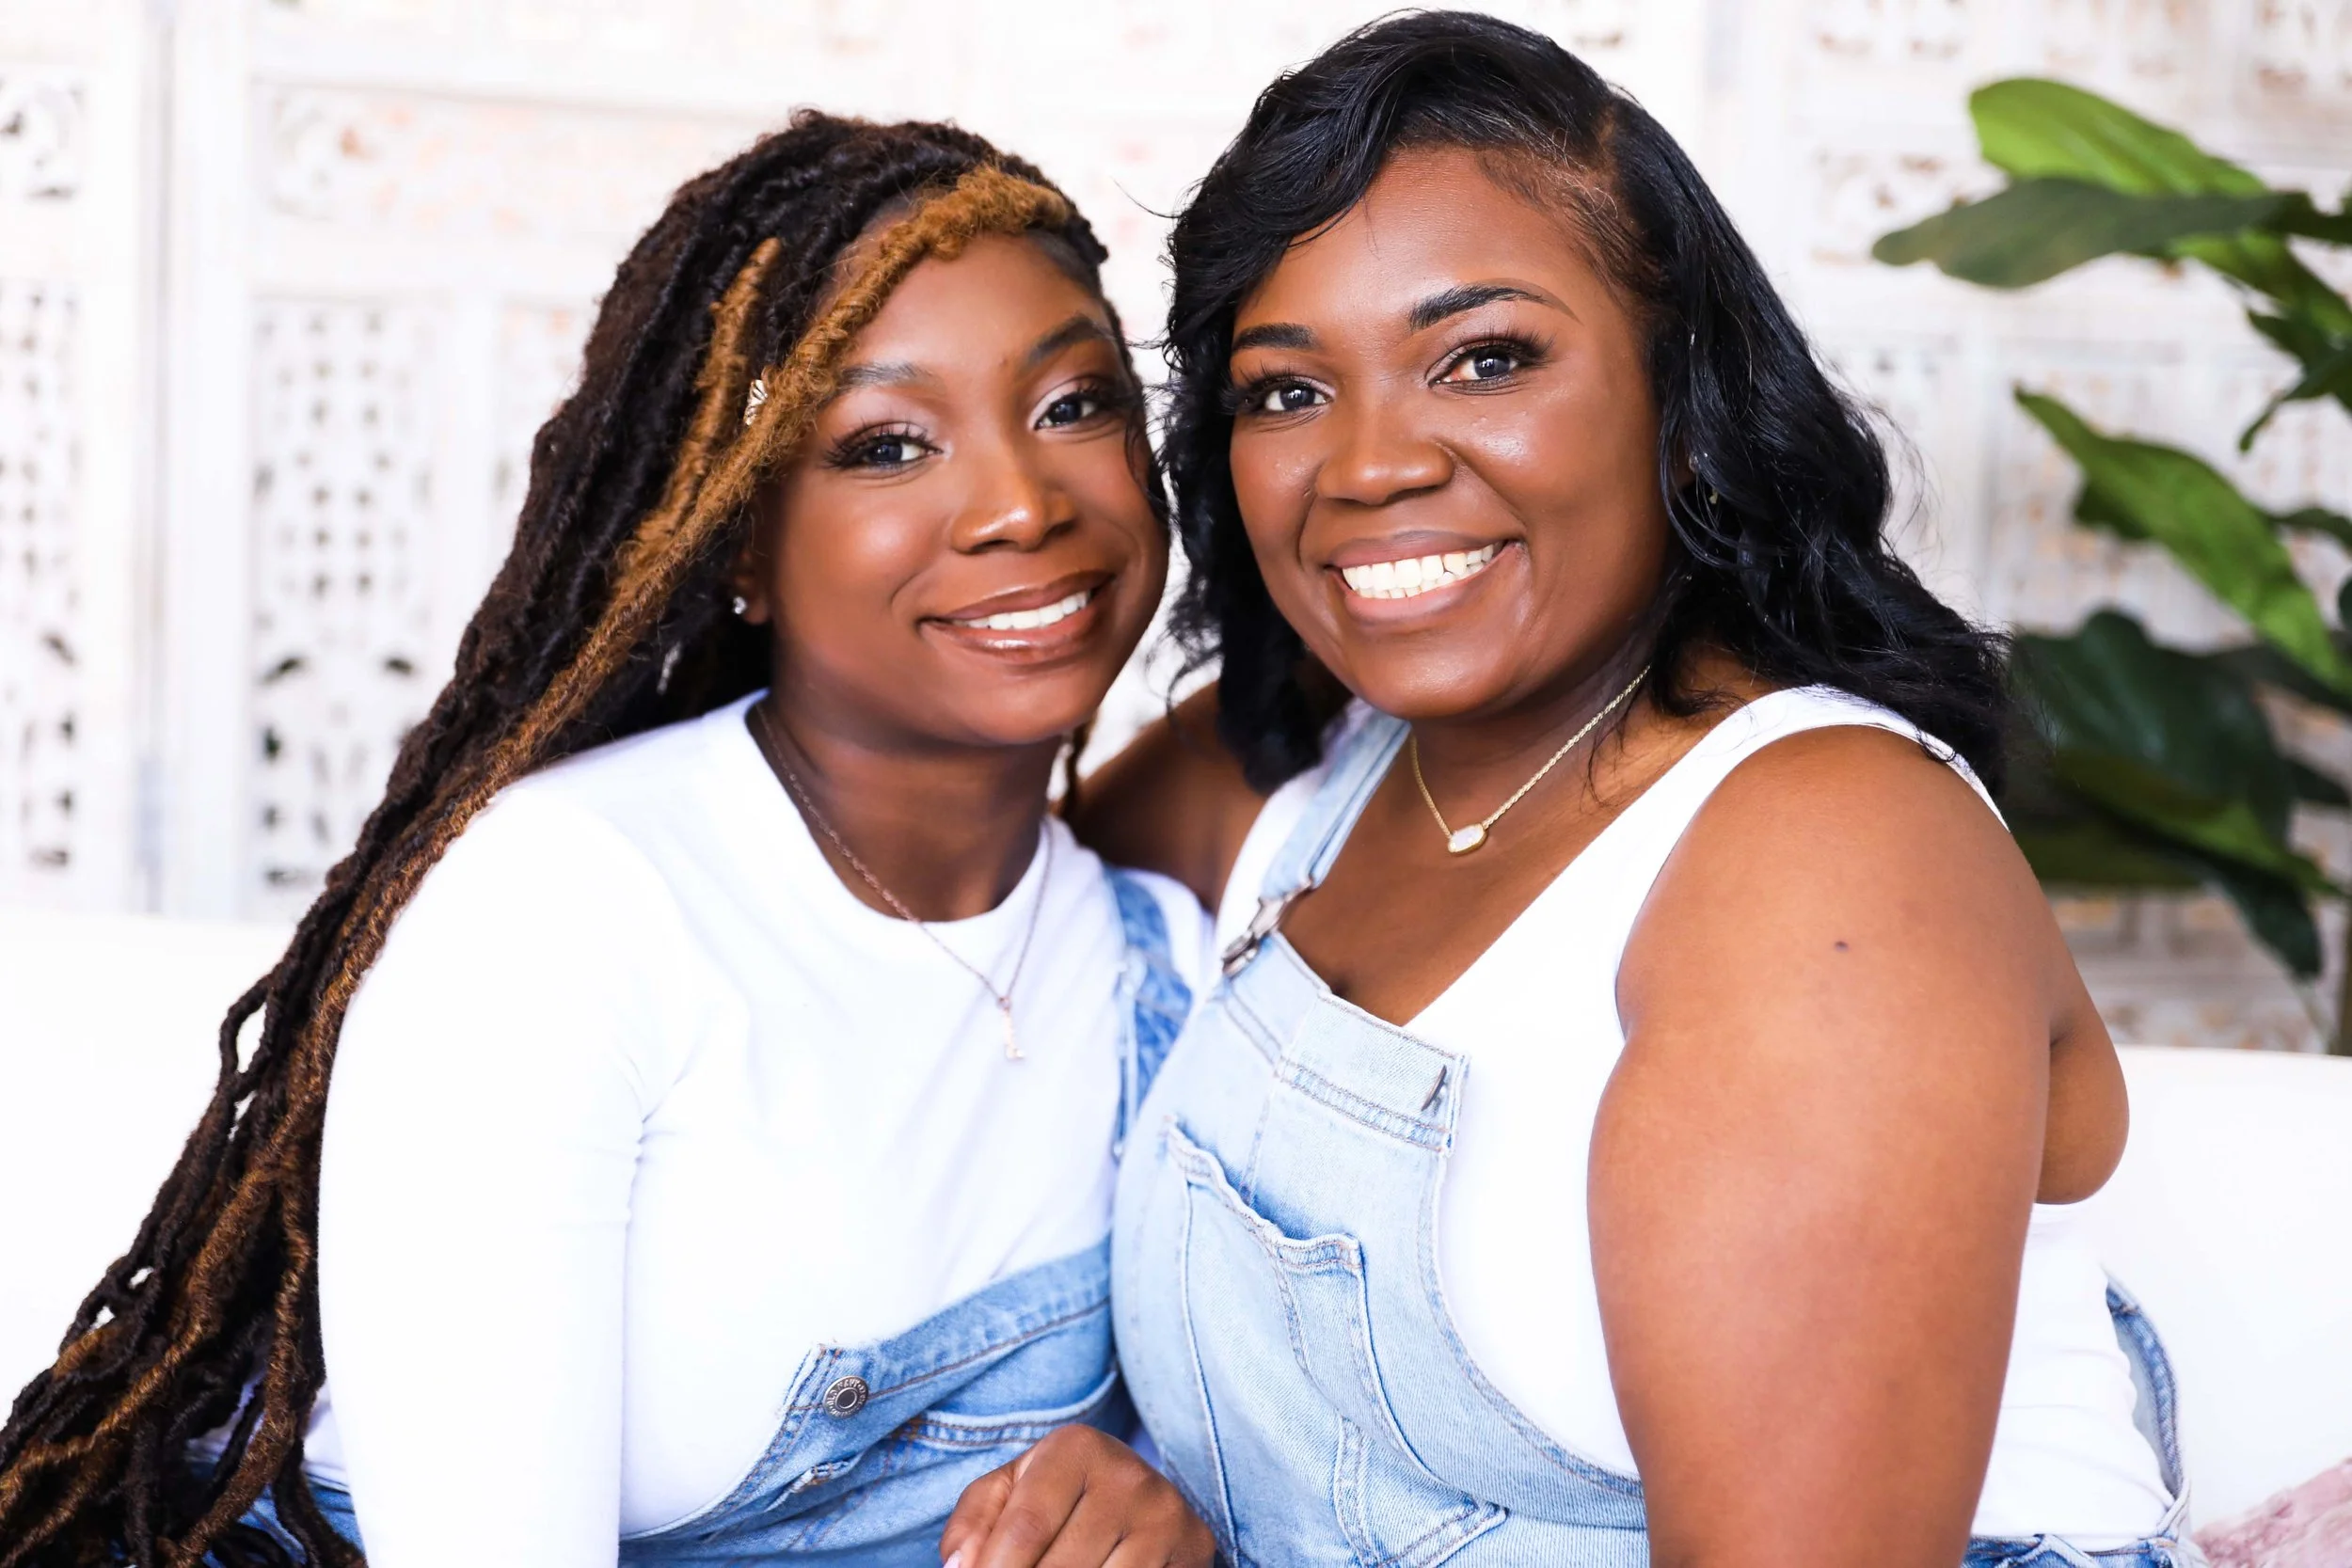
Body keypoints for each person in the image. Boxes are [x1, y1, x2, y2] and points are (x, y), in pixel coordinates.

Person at [0, 116, 1213, 1568]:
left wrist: (1161, 1518)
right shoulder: (570, 913)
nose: (1022, 503)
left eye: (1075, 403)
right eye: (887, 443)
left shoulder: (1161, 964)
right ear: (740, 544)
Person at [1075, 14, 2197, 1568]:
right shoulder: (1301, 773)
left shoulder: (1829, 860)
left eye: (1485, 358)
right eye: (1285, 391)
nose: (1369, 464)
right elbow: (951, 896)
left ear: (1686, 392)